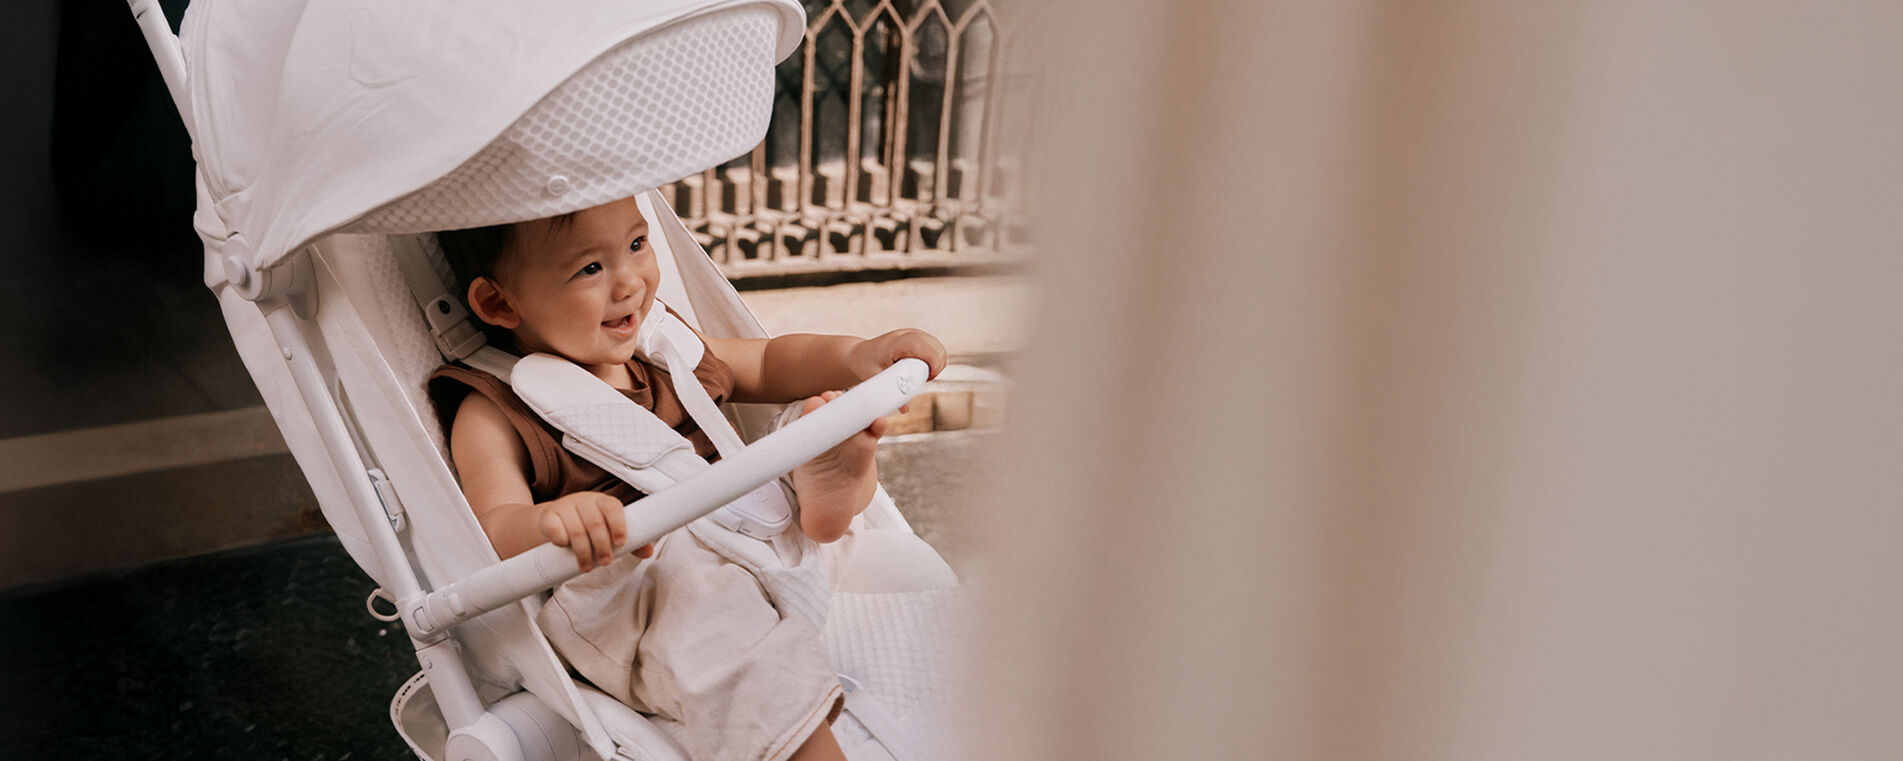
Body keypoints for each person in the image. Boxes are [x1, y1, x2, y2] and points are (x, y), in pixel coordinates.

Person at [426, 195, 946, 761]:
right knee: (717, 620)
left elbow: (767, 363)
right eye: (591, 268)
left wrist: (856, 356)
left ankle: (826, 488)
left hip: (750, 530)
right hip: (637, 585)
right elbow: (495, 525)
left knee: (803, 428)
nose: (629, 282)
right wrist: (553, 521)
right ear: (500, 303)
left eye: (636, 244)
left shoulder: (658, 346)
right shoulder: (495, 407)